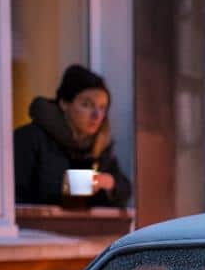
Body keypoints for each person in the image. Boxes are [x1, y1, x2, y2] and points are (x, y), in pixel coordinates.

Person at [13, 64, 132, 208]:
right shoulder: (31, 140)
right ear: (64, 103)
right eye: (87, 105)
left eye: (102, 107)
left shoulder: (100, 147)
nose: (97, 115)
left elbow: (124, 189)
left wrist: (110, 183)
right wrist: (65, 186)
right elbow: (15, 198)